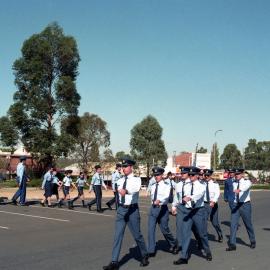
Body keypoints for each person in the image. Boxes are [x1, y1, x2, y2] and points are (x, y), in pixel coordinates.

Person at [103, 159, 149, 270]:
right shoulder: (119, 180)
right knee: (117, 236)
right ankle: (114, 262)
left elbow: (135, 189)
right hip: (121, 210)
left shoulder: (136, 179)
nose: (124, 168)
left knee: (137, 235)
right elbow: (117, 193)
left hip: (132, 210)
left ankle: (144, 254)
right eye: (123, 166)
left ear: (131, 167)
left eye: (126, 166)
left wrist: (126, 191)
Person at [172, 166, 212, 265]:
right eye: (189, 175)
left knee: (202, 233)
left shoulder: (202, 185)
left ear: (197, 175)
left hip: (198, 211)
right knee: (185, 234)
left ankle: (207, 251)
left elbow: (198, 195)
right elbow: (180, 197)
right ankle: (183, 257)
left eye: (192, 175)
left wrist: (190, 198)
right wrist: (177, 205)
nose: (190, 176)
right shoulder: (186, 185)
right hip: (187, 211)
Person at [148, 166, 178, 257]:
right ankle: (151, 250)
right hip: (154, 208)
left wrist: (159, 200)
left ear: (162, 175)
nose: (156, 176)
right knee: (150, 229)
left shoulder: (166, 185)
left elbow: (166, 196)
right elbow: (152, 197)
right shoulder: (153, 186)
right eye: (155, 175)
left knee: (164, 229)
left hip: (162, 209)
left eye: (158, 175)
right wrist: (154, 202)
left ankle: (173, 243)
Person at [226, 168, 256, 251]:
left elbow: (245, 187)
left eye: (238, 174)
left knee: (248, 224)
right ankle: (232, 244)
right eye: (235, 174)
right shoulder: (234, 182)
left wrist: (239, 190)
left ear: (242, 174)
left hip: (245, 205)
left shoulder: (247, 181)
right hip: (236, 205)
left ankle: (252, 241)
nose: (236, 176)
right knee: (233, 225)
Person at [203, 169, 223, 242]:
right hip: (204, 204)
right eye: (205, 175)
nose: (206, 176)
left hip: (213, 204)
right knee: (203, 222)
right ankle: (203, 240)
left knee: (214, 222)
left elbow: (217, 193)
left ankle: (219, 234)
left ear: (211, 176)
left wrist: (213, 201)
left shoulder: (215, 184)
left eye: (208, 175)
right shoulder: (201, 183)